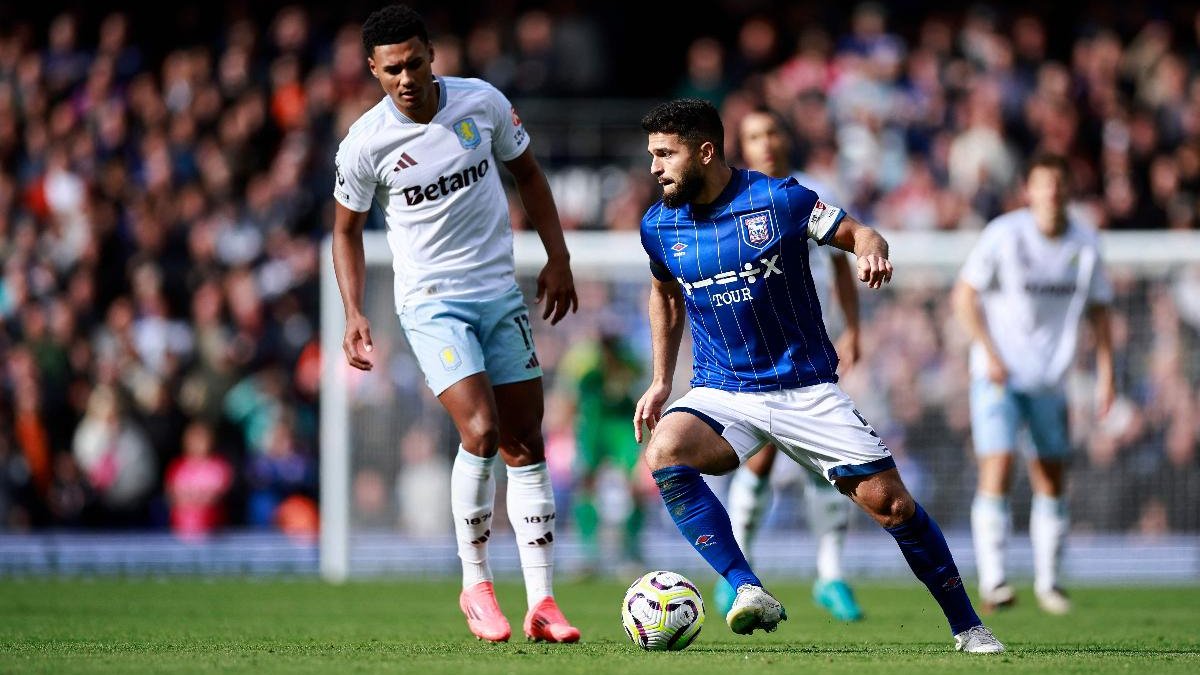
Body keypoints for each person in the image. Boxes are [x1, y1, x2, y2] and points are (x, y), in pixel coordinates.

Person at [633, 98, 1003, 653]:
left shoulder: (779, 200)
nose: (655, 168)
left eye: (666, 154)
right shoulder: (660, 225)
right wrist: (663, 379)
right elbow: (664, 294)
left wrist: (871, 250)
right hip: (723, 391)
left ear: (705, 151)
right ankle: (746, 587)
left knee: (893, 506)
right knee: (664, 450)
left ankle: (969, 626)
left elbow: (860, 234)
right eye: (652, 155)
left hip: (804, 389)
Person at [330, 4, 580, 643]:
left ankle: (543, 603)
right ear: (373, 71)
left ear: (431, 54)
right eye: (391, 69)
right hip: (432, 302)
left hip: (499, 292)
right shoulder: (365, 144)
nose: (406, 77)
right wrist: (355, 310)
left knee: (527, 438)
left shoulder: (482, 104)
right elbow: (345, 231)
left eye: (414, 62)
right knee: (482, 429)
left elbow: (528, 174)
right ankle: (475, 585)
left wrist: (558, 256)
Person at [711, 107, 865, 622]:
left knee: (831, 462)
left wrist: (855, 327)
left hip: (807, 347)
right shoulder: (731, 198)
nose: (767, 141)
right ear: (742, 145)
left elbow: (841, 262)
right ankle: (739, 571)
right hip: (754, 355)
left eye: (774, 130)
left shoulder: (808, 193)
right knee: (758, 459)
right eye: (755, 134)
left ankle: (831, 574)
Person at [952, 154, 1114, 616]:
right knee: (998, 469)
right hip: (998, 376)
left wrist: (1107, 375)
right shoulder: (1005, 234)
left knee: (1051, 477)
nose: (1053, 193)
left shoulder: (1085, 243)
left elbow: (1101, 311)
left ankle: (1049, 583)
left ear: (1068, 189)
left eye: (1060, 185)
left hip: (1050, 379)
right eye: (1044, 185)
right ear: (1030, 190)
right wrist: (990, 352)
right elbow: (964, 296)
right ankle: (996, 580)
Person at [558, 326, 651, 573]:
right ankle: (589, 553)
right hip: (594, 425)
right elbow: (571, 395)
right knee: (586, 484)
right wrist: (567, 426)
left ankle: (632, 552)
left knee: (635, 485)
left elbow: (640, 391)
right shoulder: (585, 362)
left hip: (622, 425)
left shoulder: (630, 362)